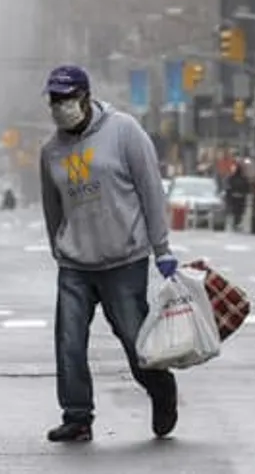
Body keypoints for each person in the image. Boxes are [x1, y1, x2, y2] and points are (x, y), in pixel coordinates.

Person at [38, 64, 179, 443]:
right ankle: (77, 416)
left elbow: (151, 189)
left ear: (85, 97)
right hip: (75, 264)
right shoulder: (50, 151)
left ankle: (161, 390)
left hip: (124, 259)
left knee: (136, 342)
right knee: (68, 342)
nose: (59, 106)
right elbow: (53, 208)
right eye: (54, 100)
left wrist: (161, 247)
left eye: (66, 98)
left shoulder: (124, 131)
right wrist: (59, 248)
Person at [223, 161, 251, 231]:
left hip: (236, 196)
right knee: (238, 211)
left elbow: (228, 187)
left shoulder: (233, 178)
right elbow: (247, 188)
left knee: (237, 211)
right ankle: (236, 223)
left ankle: (236, 223)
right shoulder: (242, 178)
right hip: (238, 197)